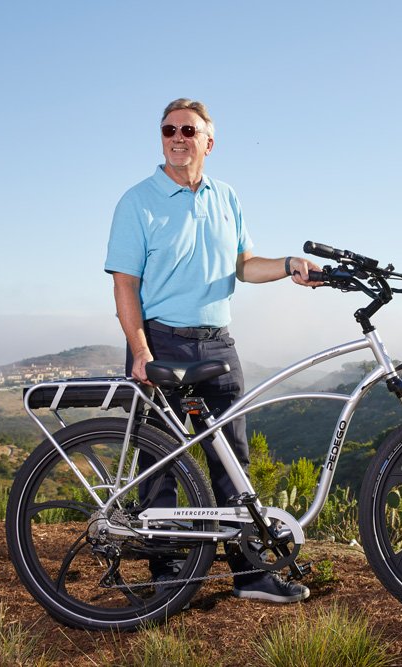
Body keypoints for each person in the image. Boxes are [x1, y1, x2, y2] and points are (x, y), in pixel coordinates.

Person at [104, 98, 321, 604]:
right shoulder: (137, 202)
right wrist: (138, 349)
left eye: (188, 130)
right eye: (167, 130)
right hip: (161, 340)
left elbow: (244, 266)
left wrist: (289, 264)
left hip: (219, 342)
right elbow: (124, 285)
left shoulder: (226, 196)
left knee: (233, 460)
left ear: (208, 141)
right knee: (159, 463)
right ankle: (166, 571)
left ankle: (250, 575)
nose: (176, 138)